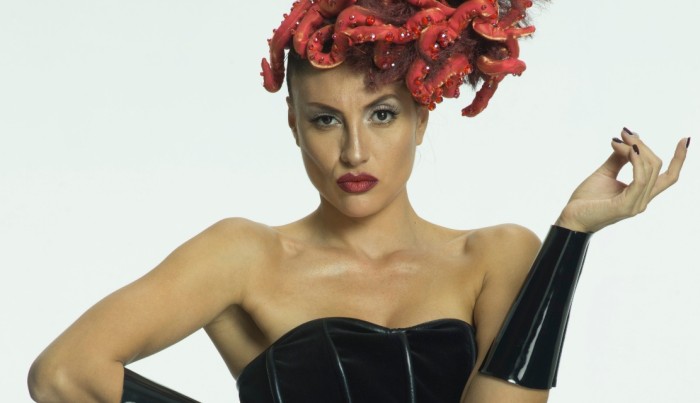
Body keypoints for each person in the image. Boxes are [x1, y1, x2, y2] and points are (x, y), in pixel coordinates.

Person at [27, 0, 689, 402]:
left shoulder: (495, 255)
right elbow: (64, 374)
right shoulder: (245, 256)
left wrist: (571, 233)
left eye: (381, 115)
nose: (353, 152)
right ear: (294, 124)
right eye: (325, 120)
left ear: (421, 119)